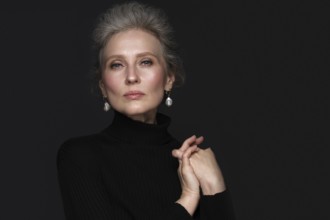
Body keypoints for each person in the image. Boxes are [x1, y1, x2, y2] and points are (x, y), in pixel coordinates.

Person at [57, 1, 235, 219]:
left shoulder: (194, 163)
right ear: (103, 85)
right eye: (117, 64)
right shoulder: (81, 157)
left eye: (145, 62)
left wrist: (214, 185)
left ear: (169, 78)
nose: (132, 77)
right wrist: (187, 199)